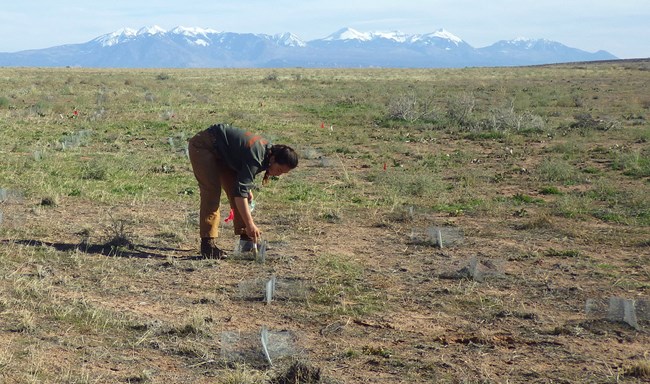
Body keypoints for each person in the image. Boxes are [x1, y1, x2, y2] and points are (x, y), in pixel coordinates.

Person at [188, 123, 298, 259]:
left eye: (283, 173)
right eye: (279, 170)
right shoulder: (257, 155)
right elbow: (240, 194)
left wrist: (246, 190)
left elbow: (242, 182)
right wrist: (251, 224)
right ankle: (207, 245)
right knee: (211, 193)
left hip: (223, 153)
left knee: (241, 194)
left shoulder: (268, 154)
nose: (278, 174)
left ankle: (246, 240)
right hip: (204, 146)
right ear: (274, 159)